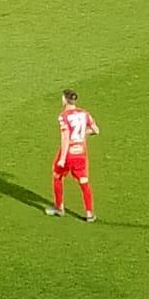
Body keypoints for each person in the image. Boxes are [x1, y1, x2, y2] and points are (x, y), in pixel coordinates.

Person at [47, 88, 100, 221]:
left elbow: (65, 138)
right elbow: (95, 130)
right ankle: (89, 214)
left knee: (57, 175)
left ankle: (59, 208)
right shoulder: (84, 113)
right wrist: (82, 134)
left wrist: (62, 159)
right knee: (84, 181)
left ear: (65, 99)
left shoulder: (63, 116)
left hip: (69, 153)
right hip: (80, 153)